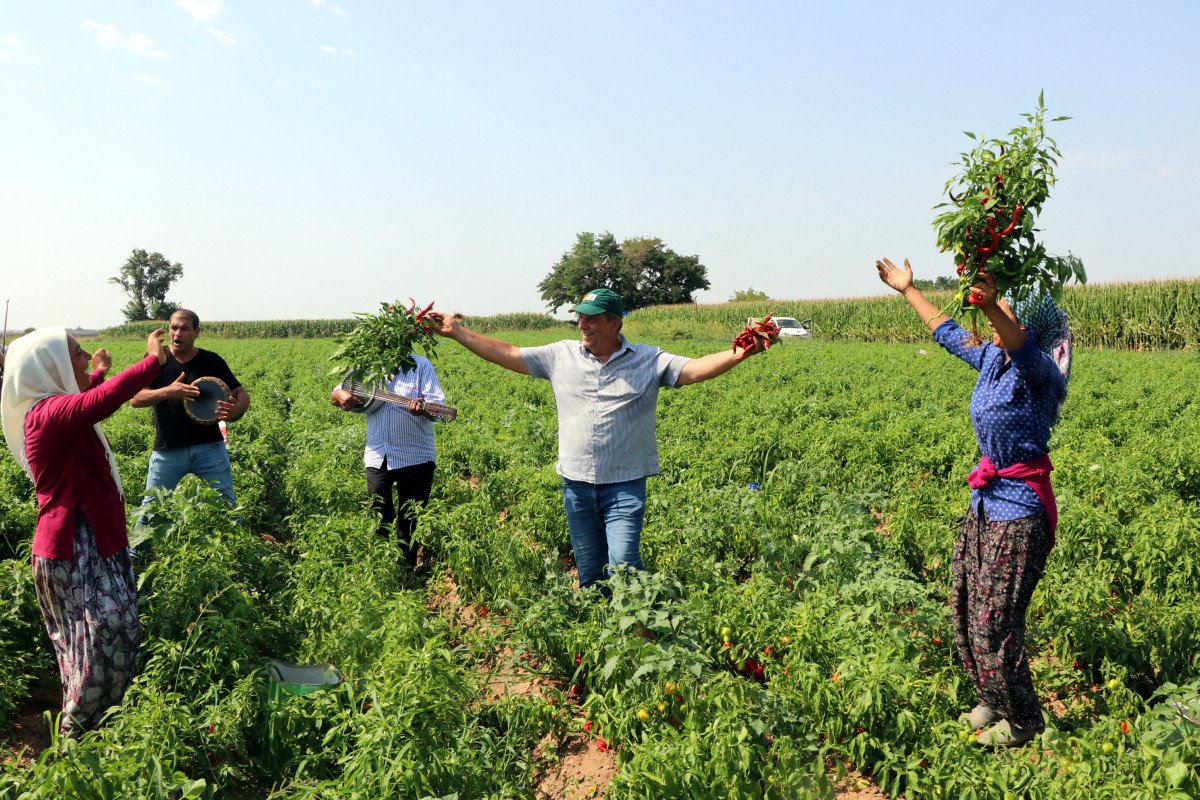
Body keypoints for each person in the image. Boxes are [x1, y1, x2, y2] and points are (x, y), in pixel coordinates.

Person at [430, 287, 768, 590]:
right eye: (580, 319)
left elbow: (693, 369)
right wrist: (458, 333)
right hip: (576, 484)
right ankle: (604, 634)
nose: (583, 326)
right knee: (591, 572)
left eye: (592, 320)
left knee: (623, 564)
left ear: (615, 324)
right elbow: (509, 352)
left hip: (624, 484)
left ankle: (644, 632)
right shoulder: (561, 356)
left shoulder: (648, 359)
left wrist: (737, 354)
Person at [875, 257, 1071, 749]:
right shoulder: (990, 359)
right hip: (985, 502)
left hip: (1020, 509)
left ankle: (1025, 719)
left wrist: (993, 302)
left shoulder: (1039, 370)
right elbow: (944, 330)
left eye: (1003, 309)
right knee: (966, 608)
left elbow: (1020, 343)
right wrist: (908, 290)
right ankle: (994, 694)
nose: (990, 315)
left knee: (995, 620)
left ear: (1022, 322)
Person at [0, 327, 167, 736]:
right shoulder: (46, 415)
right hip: (71, 548)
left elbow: (84, 399)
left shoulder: (53, 409)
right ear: (50, 366)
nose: (85, 355)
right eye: (76, 353)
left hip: (93, 540)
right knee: (98, 638)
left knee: (110, 633)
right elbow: (97, 404)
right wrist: (151, 363)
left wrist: (96, 372)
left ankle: (103, 728)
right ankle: (77, 739)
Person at [330, 355, 446, 568]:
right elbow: (336, 393)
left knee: (410, 518)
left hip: (415, 455)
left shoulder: (421, 366)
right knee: (378, 513)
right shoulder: (366, 365)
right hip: (378, 453)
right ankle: (382, 570)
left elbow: (439, 408)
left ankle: (408, 572)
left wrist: (424, 408)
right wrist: (340, 395)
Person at [130, 309, 249, 509]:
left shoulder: (211, 361)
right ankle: (143, 542)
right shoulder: (158, 359)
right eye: (174, 328)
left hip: (209, 448)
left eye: (184, 329)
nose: (177, 333)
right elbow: (135, 399)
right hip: (168, 450)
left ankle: (235, 539)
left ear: (196, 332)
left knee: (227, 507)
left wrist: (237, 410)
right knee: (150, 510)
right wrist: (169, 391)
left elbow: (241, 393)